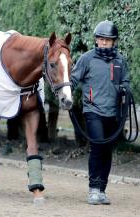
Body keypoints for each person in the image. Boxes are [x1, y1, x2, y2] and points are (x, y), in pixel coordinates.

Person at [70, 20, 130, 205]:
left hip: (113, 113)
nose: (103, 42)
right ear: (96, 40)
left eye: (107, 40)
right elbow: (73, 79)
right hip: (92, 110)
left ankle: (102, 189)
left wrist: (125, 89)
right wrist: (66, 94)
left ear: (114, 41)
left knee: (107, 151)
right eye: (100, 39)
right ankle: (93, 189)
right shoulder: (86, 59)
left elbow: (126, 81)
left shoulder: (120, 60)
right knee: (97, 148)